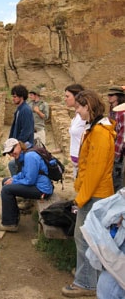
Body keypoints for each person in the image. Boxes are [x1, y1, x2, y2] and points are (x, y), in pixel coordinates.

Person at [62, 90, 116, 298]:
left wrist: (80, 198)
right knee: (90, 237)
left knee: (84, 238)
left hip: (95, 195)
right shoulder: (95, 130)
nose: (77, 111)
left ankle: (85, 282)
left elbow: (94, 171)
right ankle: (88, 275)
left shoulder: (101, 134)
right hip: (94, 192)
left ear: (89, 107)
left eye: (79, 107)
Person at [0, 138, 54, 232]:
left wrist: (14, 182)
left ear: (18, 145)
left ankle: (10, 223)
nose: (11, 154)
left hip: (42, 190)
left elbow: (30, 180)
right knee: (5, 181)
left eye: (12, 150)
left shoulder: (30, 156)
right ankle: (11, 214)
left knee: (6, 190)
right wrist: (14, 179)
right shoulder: (25, 154)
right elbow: (24, 173)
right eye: (9, 153)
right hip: (37, 185)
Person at [80, 188, 125, 299]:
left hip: (94, 193)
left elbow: (92, 179)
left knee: (109, 289)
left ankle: (85, 282)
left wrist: (79, 200)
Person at [8, 84, 34, 176]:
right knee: (15, 166)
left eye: (15, 96)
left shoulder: (25, 110)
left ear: (21, 97)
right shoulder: (19, 110)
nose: (13, 99)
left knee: (20, 169)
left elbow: (27, 130)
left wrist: (18, 145)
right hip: (19, 146)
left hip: (24, 147)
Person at [64, 84, 86, 179]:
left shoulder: (84, 117)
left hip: (83, 161)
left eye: (67, 96)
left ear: (77, 97)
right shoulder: (77, 115)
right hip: (76, 161)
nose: (65, 99)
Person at [107, 86, 125, 192]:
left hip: (118, 151)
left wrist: (116, 153)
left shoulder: (122, 113)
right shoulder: (112, 111)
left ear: (118, 97)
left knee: (118, 178)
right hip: (111, 147)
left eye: (111, 95)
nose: (109, 97)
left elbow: (122, 134)